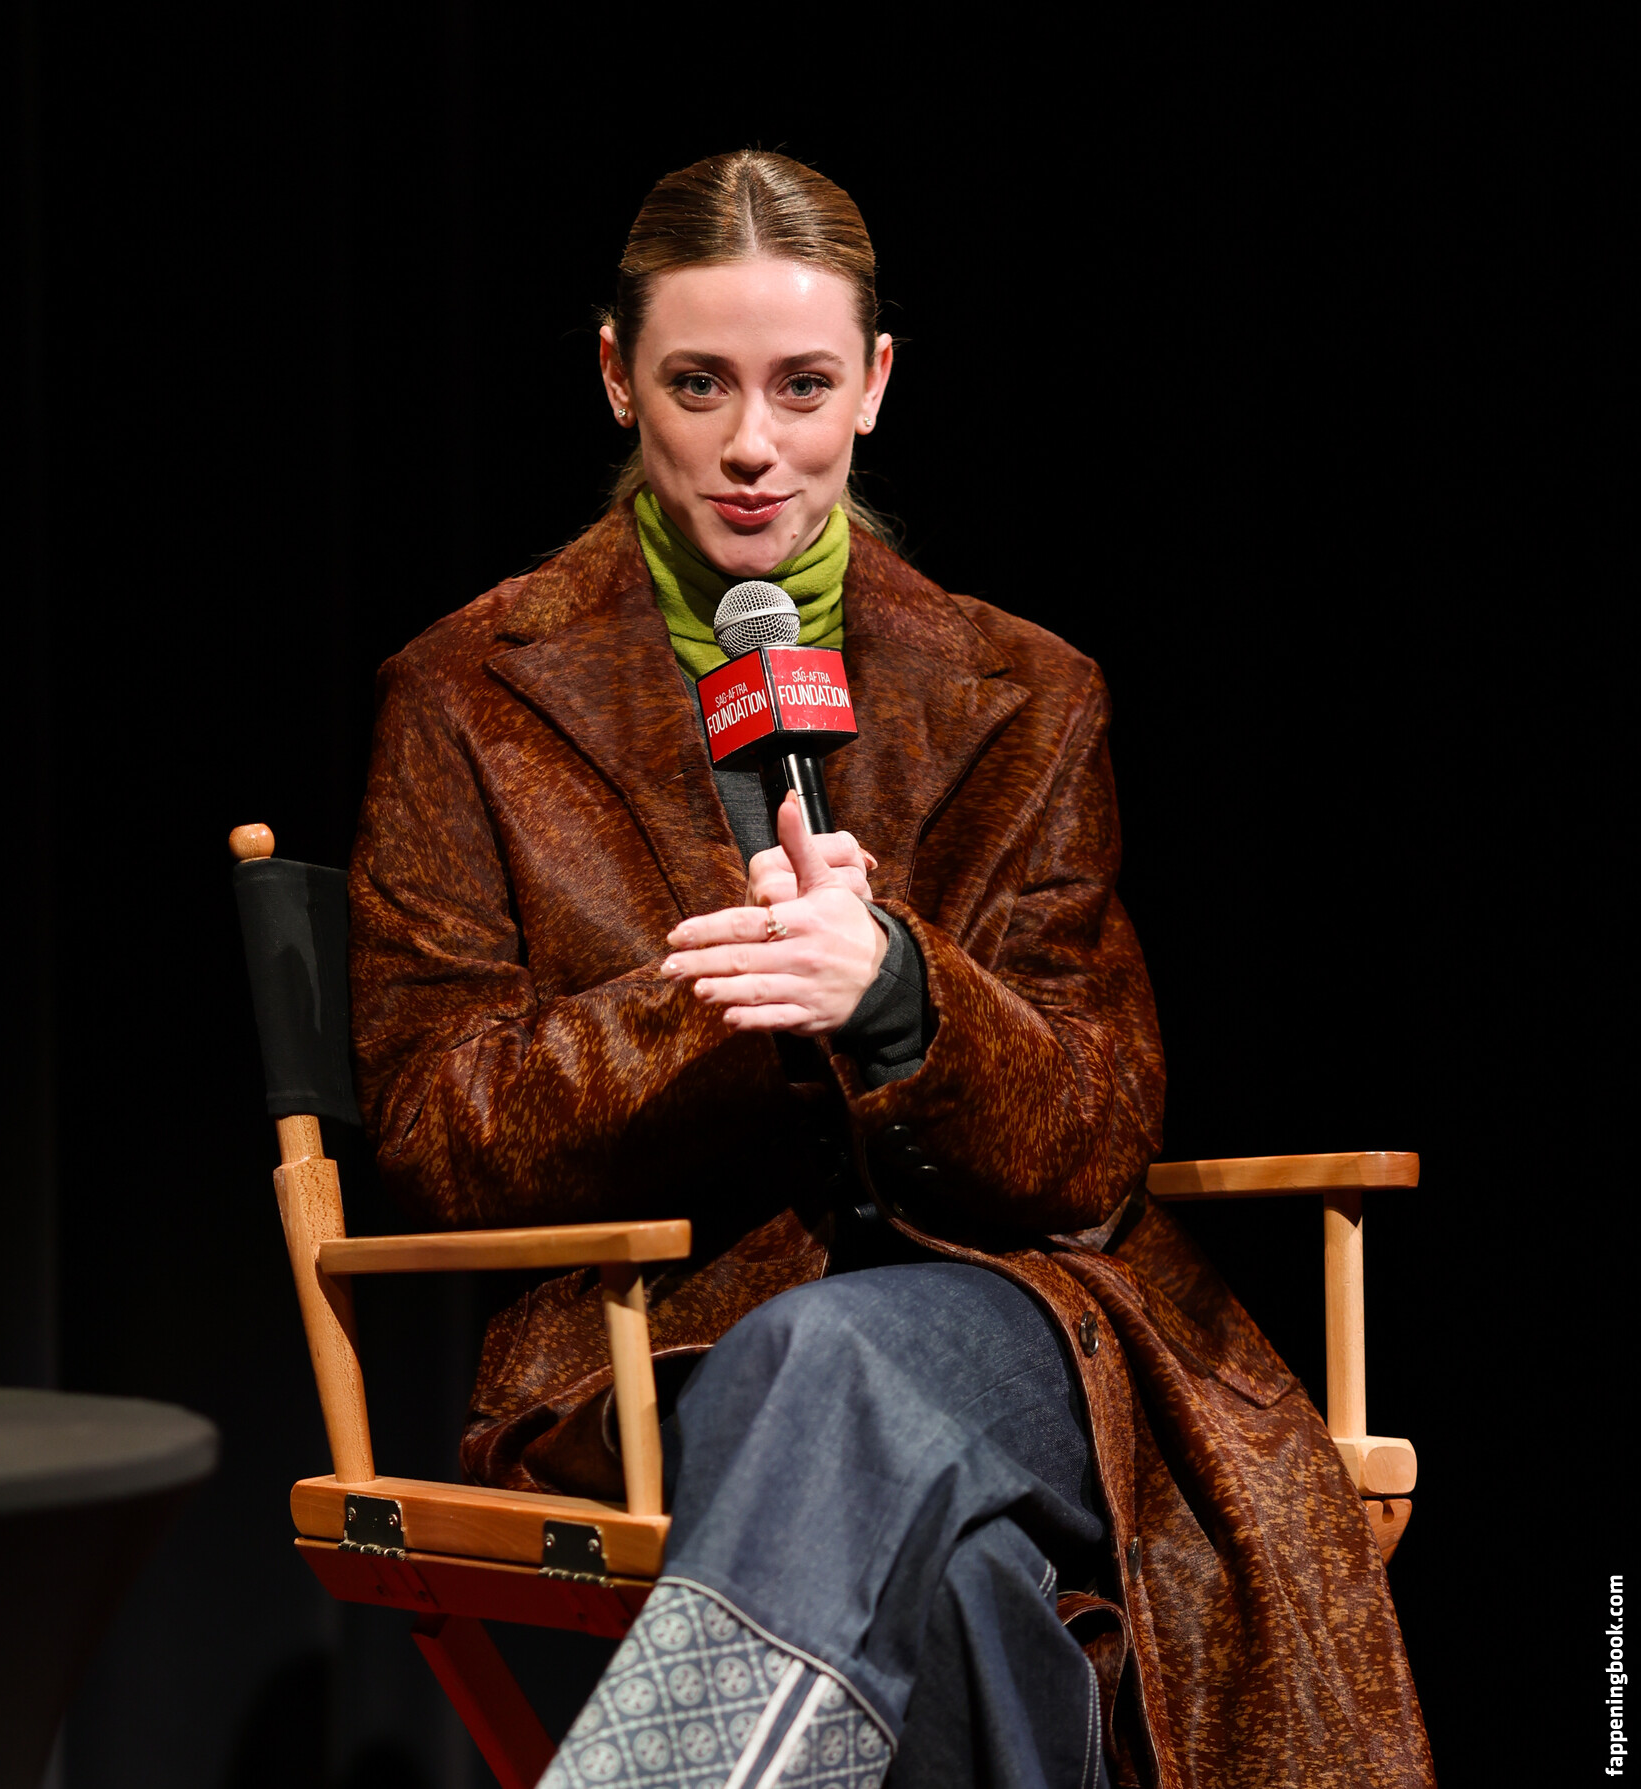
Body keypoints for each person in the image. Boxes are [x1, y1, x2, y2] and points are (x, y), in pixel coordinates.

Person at [350, 151, 1431, 1789]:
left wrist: (899, 992)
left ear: (873, 384)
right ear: (617, 377)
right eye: (698, 383)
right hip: (662, 1351)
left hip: (1020, 1318)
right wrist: (710, 999)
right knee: (960, 1580)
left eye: (801, 384)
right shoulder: (464, 693)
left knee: (833, 1360)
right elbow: (432, 1130)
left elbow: (1098, 1131)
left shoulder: (1025, 689)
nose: (752, 443)